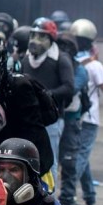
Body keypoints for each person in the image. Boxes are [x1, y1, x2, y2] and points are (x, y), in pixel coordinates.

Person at [0, 37, 54, 180]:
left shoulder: (18, 86)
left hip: (31, 164)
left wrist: (30, 169)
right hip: (3, 164)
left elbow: (32, 131)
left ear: (0, 61)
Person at [21, 17, 75, 188]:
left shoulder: (61, 59)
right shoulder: (25, 59)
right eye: (33, 35)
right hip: (29, 120)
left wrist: (45, 95)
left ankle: (50, 201)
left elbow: (68, 87)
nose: (35, 41)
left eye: (41, 36)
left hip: (52, 120)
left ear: (51, 39)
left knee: (49, 161)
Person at [71, 18, 103, 205]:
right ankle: (69, 194)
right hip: (90, 118)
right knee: (82, 155)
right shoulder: (95, 66)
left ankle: (89, 194)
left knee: (81, 155)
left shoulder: (69, 62)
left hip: (75, 116)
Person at [56, 32, 88, 205]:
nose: (62, 50)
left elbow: (70, 89)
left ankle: (67, 198)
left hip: (70, 119)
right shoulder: (53, 64)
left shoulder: (80, 70)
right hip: (54, 118)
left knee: (69, 160)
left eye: (66, 47)